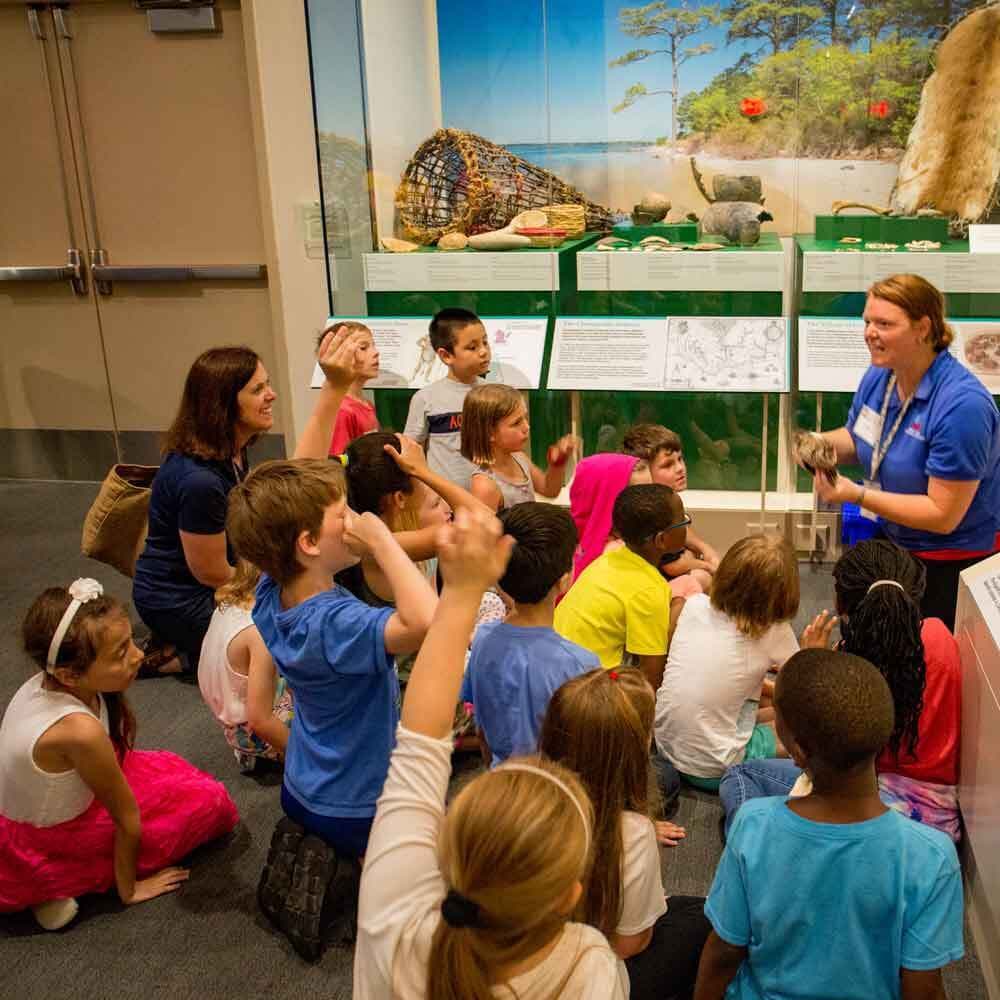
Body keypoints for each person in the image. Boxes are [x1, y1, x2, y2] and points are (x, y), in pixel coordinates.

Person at [354, 507, 627, 1000]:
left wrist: (461, 592)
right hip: (552, 804)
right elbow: (594, 748)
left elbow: (435, 730)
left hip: (493, 779)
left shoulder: (390, 918)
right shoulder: (591, 970)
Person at [226, 458, 437, 959]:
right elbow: (429, 620)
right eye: (344, 514)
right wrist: (383, 540)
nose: (356, 520)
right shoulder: (339, 623)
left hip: (303, 784)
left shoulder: (270, 592)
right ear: (308, 544)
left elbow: (279, 503)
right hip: (360, 804)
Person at [695, 649, 964, 1000]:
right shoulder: (933, 857)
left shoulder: (754, 825)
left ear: (798, 751)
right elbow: (923, 990)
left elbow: (723, 952)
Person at [0, 579, 238, 931]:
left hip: (61, 801)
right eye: (121, 652)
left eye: (130, 643)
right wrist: (129, 889)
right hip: (53, 832)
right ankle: (49, 881)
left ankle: (46, 882)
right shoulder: (79, 731)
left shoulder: (50, 683)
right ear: (69, 673)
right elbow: (126, 817)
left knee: (183, 778)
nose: (139, 655)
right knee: (211, 805)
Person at [132, 327, 367, 673]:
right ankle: (177, 656)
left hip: (226, 574)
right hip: (181, 598)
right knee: (285, 633)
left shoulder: (231, 452)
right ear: (223, 403)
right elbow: (212, 574)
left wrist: (335, 387)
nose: (271, 395)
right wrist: (287, 586)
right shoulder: (199, 480)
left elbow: (295, 479)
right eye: (258, 389)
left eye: (267, 384)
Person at [720, 539, 962, 841]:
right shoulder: (941, 636)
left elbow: (813, 745)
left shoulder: (849, 663)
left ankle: (759, 852)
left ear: (842, 604)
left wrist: (812, 666)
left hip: (863, 799)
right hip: (938, 816)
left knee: (740, 775)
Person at [802, 273, 1000, 630]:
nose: (869, 333)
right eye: (867, 322)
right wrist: (819, 444)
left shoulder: (962, 407)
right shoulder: (882, 375)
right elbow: (861, 438)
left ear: (923, 328)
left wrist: (856, 494)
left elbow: (943, 514)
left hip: (949, 561)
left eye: (884, 323)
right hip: (893, 541)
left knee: (927, 659)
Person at [540, 668, 710, 1000]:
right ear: (634, 750)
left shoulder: (522, 800)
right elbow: (631, 943)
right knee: (705, 916)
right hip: (596, 975)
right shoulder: (631, 834)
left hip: (535, 958)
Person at [338, 431, 489, 691]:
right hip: (404, 693)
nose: (446, 508)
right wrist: (423, 470)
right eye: (433, 501)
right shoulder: (379, 546)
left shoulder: (386, 539)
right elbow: (486, 525)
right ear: (399, 499)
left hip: (424, 672)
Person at [654, 535, 801, 792]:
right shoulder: (775, 632)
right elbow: (806, 693)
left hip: (666, 749)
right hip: (714, 767)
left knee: (764, 701)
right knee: (801, 721)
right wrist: (814, 652)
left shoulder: (694, 606)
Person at [460, 503, 599, 767]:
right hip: (553, 790)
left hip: (499, 780)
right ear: (564, 580)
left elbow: (481, 732)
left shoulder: (482, 640)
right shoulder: (581, 664)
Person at [555, 484, 689, 691]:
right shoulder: (650, 589)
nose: (686, 523)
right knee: (680, 607)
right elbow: (649, 681)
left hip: (559, 678)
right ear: (661, 539)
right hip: (593, 694)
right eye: (683, 520)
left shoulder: (608, 559)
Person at [198, 560, 293, 773]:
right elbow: (261, 720)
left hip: (233, 718)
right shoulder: (260, 632)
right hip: (254, 727)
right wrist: (306, 759)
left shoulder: (232, 603)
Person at [623, 423, 721, 591]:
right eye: (668, 465)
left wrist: (705, 548)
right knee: (700, 579)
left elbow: (682, 527)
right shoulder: (647, 514)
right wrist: (704, 564)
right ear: (642, 471)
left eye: (680, 459)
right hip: (656, 589)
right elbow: (672, 565)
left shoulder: (668, 503)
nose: (680, 468)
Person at [403, 307, 492, 489]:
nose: (483, 351)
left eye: (485, 342)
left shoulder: (493, 394)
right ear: (446, 355)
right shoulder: (426, 398)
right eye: (472, 347)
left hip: (487, 495)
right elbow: (412, 449)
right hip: (443, 499)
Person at [461, 383, 576, 511]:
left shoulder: (520, 459)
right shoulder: (484, 485)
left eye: (525, 418)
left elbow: (549, 490)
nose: (527, 427)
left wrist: (557, 464)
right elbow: (486, 530)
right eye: (516, 423)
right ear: (489, 433)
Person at [568, 452, 652, 582]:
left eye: (649, 492)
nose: (649, 504)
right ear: (607, 501)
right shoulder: (616, 552)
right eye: (638, 496)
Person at [319, 320, 380, 457]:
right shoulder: (343, 411)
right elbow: (339, 462)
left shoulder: (365, 404)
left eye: (373, 346)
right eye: (363, 348)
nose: (376, 353)